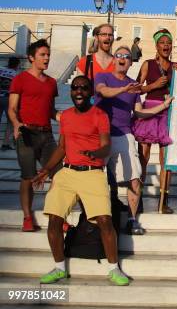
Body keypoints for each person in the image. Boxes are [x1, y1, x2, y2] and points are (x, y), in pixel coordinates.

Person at [32, 75, 129, 286]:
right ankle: (59, 268)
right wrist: (47, 169)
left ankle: (114, 269)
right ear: (71, 91)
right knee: (54, 220)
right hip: (67, 173)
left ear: (90, 92)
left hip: (92, 173)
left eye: (84, 88)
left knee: (104, 220)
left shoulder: (99, 115)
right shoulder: (66, 116)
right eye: (75, 88)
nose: (78, 92)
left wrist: (95, 153)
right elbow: (61, 147)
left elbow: (106, 146)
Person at [95, 46, 173, 234]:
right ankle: (95, 216)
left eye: (126, 57)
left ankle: (131, 219)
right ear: (114, 59)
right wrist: (124, 89)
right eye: (119, 55)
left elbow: (139, 111)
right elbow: (103, 92)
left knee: (135, 178)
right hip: (100, 134)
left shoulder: (134, 86)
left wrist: (163, 105)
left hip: (124, 133)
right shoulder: (103, 77)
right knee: (94, 176)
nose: (122, 58)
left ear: (131, 62)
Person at [8, 40, 60, 232]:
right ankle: (27, 217)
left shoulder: (52, 83)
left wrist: (64, 117)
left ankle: (56, 215)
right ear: (31, 57)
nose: (47, 58)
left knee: (59, 175)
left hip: (47, 135)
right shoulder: (20, 79)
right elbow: (12, 108)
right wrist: (16, 124)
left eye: (48, 54)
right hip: (27, 133)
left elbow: (51, 110)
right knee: (28, 177)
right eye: (42, 55)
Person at [133, 29, 177, 214]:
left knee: (165, 160)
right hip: (150, 111)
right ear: (156, 45)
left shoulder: (176, 67)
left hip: (167, 113)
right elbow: (135, 89)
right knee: (143, 157)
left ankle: (163, 200)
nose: (166, 46)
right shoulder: (147, 64)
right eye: (163, 42)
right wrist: (153, 86)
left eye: (169, 43)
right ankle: (139, 197)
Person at [0, 56, 20, 150]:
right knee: (11, 121)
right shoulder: (16, 75)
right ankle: (5, 143)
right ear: (17, 65)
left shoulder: (1, 69)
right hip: (8, 98)